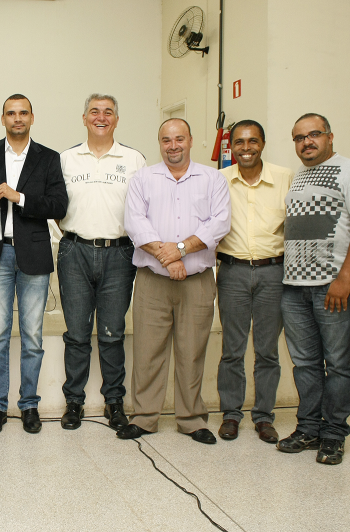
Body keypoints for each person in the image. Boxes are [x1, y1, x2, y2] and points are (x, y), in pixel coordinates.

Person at [120, 118, 230, 444]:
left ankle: (192, 420)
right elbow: (135, 224)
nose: (173, 145)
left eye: (179, 138)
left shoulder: (212, 179)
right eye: (166, 140)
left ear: (191, 140)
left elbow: (219, 223)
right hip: (152, 280)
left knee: (192, 351)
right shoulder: (144, 178)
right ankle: (143, 418)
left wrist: (180, 250)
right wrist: (167, 259)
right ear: (160, 143)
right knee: (147, 350)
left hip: (196, 281)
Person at [277, 113, 350, 465]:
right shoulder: (299, 177)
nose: (306, 142)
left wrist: (344, 277)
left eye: (314, 134)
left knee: (337, 363)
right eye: (299, 137)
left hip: (332, 287)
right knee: (304, 363)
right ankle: (308, 428)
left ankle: (333, 433)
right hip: (294, 288)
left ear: (330, 137)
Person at [0, 94, 68, 435]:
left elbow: (58, 204)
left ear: (32, 118)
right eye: (11, 113)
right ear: (3, 118)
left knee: (33, 336)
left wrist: (19, 197)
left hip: (34, 255)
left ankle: (29, 405)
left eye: (23, 113)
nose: (17, 118)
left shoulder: (49, 158)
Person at [56, 93, 146, 431]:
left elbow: (143, 206)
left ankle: (114, 402)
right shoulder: (66, 159)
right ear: (84, 118)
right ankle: (74, 403)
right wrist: (73, 233)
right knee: (77, 334)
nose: (101, 117)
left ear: (116, 120)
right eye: (94, 111)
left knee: (112, 333)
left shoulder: (135, 159)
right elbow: (56, 207)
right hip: (75, 252)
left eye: (108, 112)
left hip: (120, 253)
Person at [215, 120, 293, 443]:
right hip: (231, 271)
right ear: (230, 146)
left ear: (263, 143)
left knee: (267, 351)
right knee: (232, 349)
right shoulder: (218, 180)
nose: (246, 148)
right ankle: (231, 414)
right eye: (240, 143)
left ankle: (263, 417)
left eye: (253, 141)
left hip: (273, 272)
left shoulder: (285, 178)